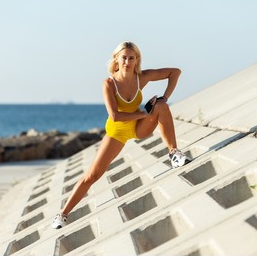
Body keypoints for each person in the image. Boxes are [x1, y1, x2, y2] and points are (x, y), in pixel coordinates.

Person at [52, 41, 189, 229]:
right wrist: (143, 112)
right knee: (92, 175)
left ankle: (174, 153)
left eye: (131, 58)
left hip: (138, 127)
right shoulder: (109, 83)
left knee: (162, 106)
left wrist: (164, 97)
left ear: (136, 60)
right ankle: (62, 214)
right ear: (116, 58)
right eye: (123, 57)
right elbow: (115, 116)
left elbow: (175, 72)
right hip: (117, 132)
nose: (127, 62)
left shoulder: (142, 77)